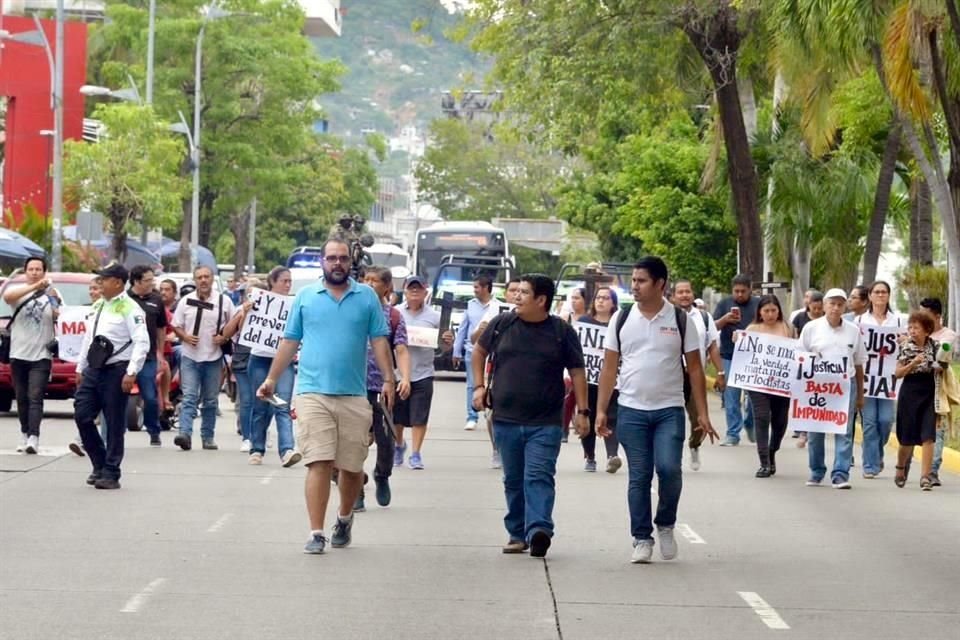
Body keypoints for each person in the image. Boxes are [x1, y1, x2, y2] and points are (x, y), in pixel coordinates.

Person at [257, 238, 395, 555]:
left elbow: (378, 341)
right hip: (312, 392)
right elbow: (289, 342)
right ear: (322, 262)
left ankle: (344, 518)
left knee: (350, 468)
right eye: (331, 258)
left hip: (354, 395)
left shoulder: (367, 299)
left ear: (350, 263)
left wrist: (389, 378)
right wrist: (271, 379)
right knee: (318, 461)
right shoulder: (305, 298)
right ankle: (316, 532)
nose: (337, 263)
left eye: (342, 258)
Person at [596, 257, 716, 564]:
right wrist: (599, 410)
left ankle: (665, 524)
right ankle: (641, 537)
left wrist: (702, 413)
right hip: (631, 409)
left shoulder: (679, 319)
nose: (634, 286)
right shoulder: (621, 318)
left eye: (641, 281)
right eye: (633, 280)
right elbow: (609, 368)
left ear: (660, 284)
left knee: (669, 470)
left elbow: (694, 369)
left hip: (669, 409)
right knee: (639, 475)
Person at [472, 274, 588, 558]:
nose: (517, 297)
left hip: (546, 421)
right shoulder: (503, 324)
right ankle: (516, 532)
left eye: (524, 293)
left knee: (538, 476)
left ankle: (538, 530)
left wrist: (582, 411)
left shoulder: (561, 331)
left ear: (541, 300)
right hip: (506, 419)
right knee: (513, 479)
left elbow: (577, 371)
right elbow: (479, 352)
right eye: (517, 292)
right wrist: (478, 387)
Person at [74, 264, 150, 489]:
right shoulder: (98, 305)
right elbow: (89, 339)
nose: (100, 283)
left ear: (117, 282)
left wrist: (131, 371)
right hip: (94, 369)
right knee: (82, 415)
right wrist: (81, 367)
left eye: (104, 279)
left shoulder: (130, 308)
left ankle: (111, 471)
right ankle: (99, 463)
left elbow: (141, 342)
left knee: (115, 422)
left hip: (117, 370)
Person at [798, 288, 866, 489]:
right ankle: (817, 471)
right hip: (817, 387)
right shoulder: (811, 328)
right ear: (824, 305)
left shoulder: (853, 331)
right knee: (816, 431)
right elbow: (800, 358)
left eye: (839, 304)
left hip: (845, 387)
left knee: (844, 431)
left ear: (844, 306)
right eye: (832, 304)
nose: (835, 308)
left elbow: (859, 363)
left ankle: (840, 474)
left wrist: (860, 394)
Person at [355, 266, 410, 511]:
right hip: (353, 387)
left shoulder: (394, 316)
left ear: (387, 287)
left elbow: (401, 349)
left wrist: (404, 378)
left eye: (374, 280)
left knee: (387, 439)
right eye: (365, 279)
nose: (368, 284)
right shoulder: (352, 311)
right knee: (352, 442)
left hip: (383, 387)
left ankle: (382, 475)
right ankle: (354, 487)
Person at [172, 265, 235, 451]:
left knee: (210, 399)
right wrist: (185, 337)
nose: (203, 280)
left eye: (206, 277)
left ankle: (208, 436)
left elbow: (235, 323)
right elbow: (176, 324)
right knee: (190, 396)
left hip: (213, 357)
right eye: (199, 277)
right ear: (195, 280)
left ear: (212, 278)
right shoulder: (186, 301)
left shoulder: (224, 301)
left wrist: (224, 337)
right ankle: (185, 433)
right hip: (190, 356)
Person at [2, 256, 61, 454]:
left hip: (42, 355)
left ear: (44, 271)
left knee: (35, 396)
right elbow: (7, 298)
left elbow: (58, 314)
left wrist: (53, 300)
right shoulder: (17, 292)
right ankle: (24, 432)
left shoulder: (51, 293)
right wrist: (35, 286)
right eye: (31, 269)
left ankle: (34, 437)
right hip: (18, 354)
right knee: (21, 397)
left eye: (38, 269)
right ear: (25, 272)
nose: (35, 272)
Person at [245, 267, 302, 467]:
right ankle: (256, 448)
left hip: (284, 362)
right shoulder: (258, 301)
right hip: (260, 360)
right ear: (273, 282)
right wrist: (246, 310)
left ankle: (287, 449)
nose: (288, 285)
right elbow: (242, 326)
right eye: (284, 281)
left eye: (290, 281)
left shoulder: (295, 304)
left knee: (282, 405)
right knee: (260, 405)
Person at [673, 279, 726, 471]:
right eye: (680, 292)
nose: (685, 295)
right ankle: (671, 456)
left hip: (696, 376)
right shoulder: (668, 317)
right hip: (673, 378)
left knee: (698, 419)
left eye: (687, 291)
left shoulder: (703, 317)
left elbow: (712, 346)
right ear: (673, 296)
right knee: (672, 419)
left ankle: (694, 445)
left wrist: (720, 372)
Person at [738, 295, 794, 477]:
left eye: (773, 310)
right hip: (758, 383)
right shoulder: (752, 329)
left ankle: (772, 451)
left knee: (780, 422)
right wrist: (737, 340)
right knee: (761, 418)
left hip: (782, 383)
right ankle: (763, 462)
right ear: (760, 312)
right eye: (766, 311)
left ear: (779, 311)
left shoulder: (788, 328)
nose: (770, 314)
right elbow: (744, 354)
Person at [470, 276, 522, 468]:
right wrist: (482, 330)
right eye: (512, 290)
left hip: (521, 371)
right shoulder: (494, 311)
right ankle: (497, 448)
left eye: (521, 291)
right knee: (492, 413)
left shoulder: (532, 314)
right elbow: (475, 340)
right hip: (495, 368)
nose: (516, 294)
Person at [394, 275, 441, 476]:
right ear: (404, 290)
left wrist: (447, 340)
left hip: (423, 372)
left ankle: (416, 453)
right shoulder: (395, 313)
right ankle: (398, 445)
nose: (414, 292)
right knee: (397, 417)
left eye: (418, 288)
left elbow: (444, 345)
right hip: (397, 373)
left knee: (419, 416)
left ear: (425, 291)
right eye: (411, 288)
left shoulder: (435, 316)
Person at [855, 280, 902, 479]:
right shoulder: (859, 322)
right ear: (871, 296)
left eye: (884, 292)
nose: (881, 295)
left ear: (889, 296)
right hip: (866, 378)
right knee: (870, 422)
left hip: (888, 380)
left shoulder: (899, 321)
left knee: (885, 420)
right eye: (877, 292)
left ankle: (876, 452)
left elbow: (909, 346)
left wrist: (905, 341)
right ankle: (870, 465)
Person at [576, 285, 623, 473]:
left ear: (613, 303)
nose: (601, 301)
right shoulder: (584, 322)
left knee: (611, 416)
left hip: (613, 380)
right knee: (588, 414)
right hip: (588, 380)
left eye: (605, 298)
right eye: (598, 298)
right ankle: (590, 456)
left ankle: (612, 455)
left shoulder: (619, 324)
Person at [893, 311, 939, 490]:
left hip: (929, 392)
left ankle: (925, 477)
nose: (912, 331)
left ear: (927, 330)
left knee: (928, 436)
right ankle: (900, 467)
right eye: (910, 327)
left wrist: (941, 366)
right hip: (910, 392)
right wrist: (913, 363)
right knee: (907, 439)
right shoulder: (905, 347)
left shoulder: (935, 346)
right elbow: (897, 374)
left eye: (916, 328)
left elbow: (943, 365)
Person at [713, 274, 759, 446]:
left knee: (755, 398)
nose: (739, 295)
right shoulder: (724, 304)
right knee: (731, 398)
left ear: (750, 290)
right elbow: (713, 327)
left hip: (752, 359)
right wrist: (725, 320)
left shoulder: (758, 304)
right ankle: (733, 433)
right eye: (736, 291)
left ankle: (750, 423)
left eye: (743, 291)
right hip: (729, 356)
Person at [219, 279, 262, 455]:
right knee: (246, 399)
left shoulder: (270, 313)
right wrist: (242, 314)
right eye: (250, 294)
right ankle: (247, 437)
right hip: (243, 359)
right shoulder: (239, 311)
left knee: (261, 401)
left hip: (262, 357)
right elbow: (227, 334)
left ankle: (259, 435)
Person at [127, 266, 167, 447]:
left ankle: (154, 430)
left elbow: (161, 328)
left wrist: (160, 352)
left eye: (153, 279)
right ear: (136, 281)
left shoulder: (156, 300)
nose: (152, 283)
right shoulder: (124, 299)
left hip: (148, 356)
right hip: (125, 355)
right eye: (148, 280)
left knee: (150, 396)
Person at [919, 297, 958, 486]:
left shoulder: (948, 335)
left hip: (938, 387)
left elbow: (941, 358)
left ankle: (932, 471)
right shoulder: (916, 332)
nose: (921, 318)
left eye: (926, 314)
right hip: (916, 387)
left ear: (937, 316)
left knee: (937, 428)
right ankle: (906, 465)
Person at [453, 274, 497, 431]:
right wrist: (456, 351)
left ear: (486, 288)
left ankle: (491, 411)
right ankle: (472, 416)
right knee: (472, 385)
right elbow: (463, 329)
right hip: (472, 351)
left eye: (477, 287)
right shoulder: (470, 305)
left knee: (492, 384)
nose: (474, 290)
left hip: (492, 353)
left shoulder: (497, 306)